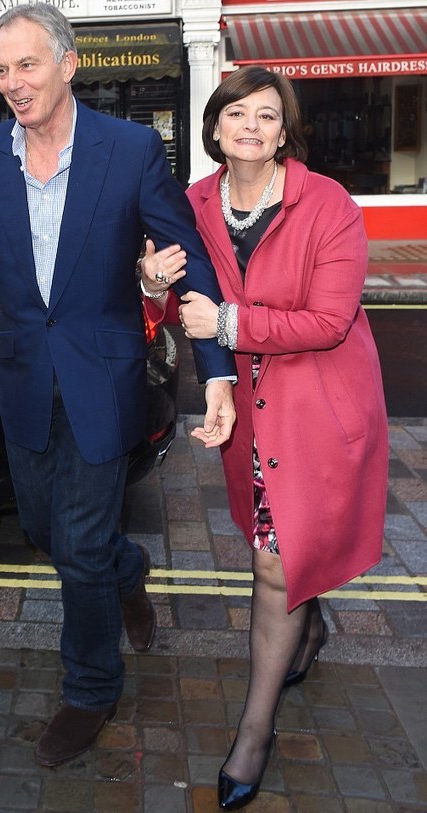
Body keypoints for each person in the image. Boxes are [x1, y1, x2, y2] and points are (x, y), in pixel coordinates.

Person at [0, 3, 237, 768]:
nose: (13, 82)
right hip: (24, 376)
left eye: (27, 64)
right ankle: (131, 573)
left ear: (67, 64)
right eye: (1, 69)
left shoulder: (129, 149)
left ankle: (92, 687)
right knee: (44, 530)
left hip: (104, 375)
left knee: (82, 545)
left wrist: (217, 370)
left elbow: (189, 258)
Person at [141, 66, 388, 810]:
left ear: (285, 132)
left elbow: (329, 321)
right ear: (214, 126)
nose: (251, 126)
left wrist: (229, 323)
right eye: (237, 113)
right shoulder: (193, 203)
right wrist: (152, 282)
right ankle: (306, 633)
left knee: (275, 563)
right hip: (249, 412)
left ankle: (254, 730)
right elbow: (175, 303)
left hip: (321, 411)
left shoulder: (329, 204)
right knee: (281, 549)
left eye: (267, 115)